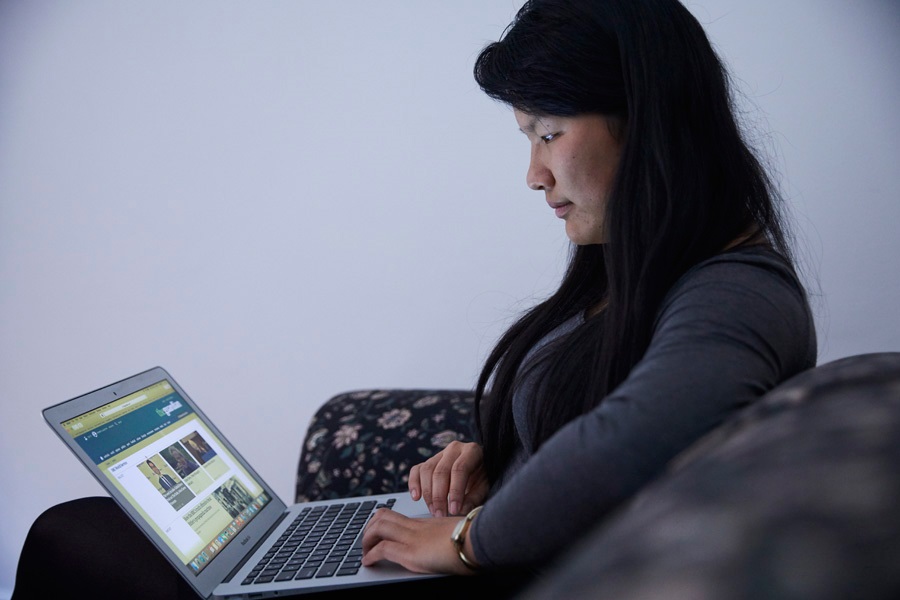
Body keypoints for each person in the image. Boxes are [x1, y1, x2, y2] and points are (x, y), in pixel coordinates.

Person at [12, 0, 816, 598]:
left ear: (645, 121)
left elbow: (634, 435)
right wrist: (497, 458)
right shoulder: (636, 273)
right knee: (92, 532)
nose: (534, 175)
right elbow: (601, 409)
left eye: (546, 133)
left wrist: (466, 540)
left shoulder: (740, 291)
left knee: (72, 542)